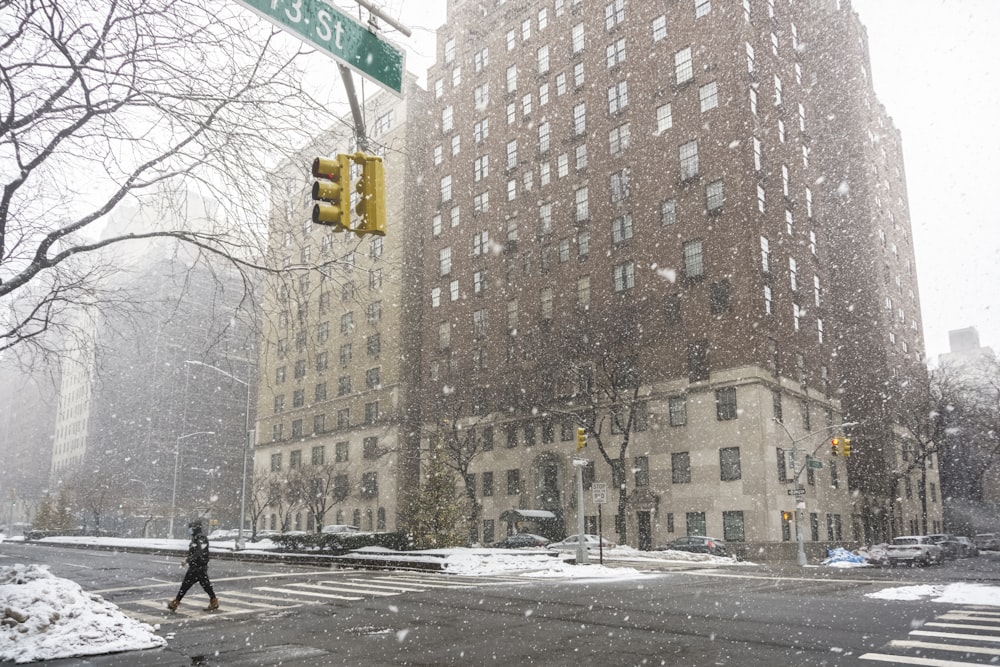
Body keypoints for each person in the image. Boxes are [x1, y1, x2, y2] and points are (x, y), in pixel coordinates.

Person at [167, 520, 219, 611]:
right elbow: (196, 551)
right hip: (198, 566)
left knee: (186, 585)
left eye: (190, 528)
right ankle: (214, 601)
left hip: (197, 567)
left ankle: (175, 603)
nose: (189, 530)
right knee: (205, 585)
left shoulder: (200, 537)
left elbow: (200, 551)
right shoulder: (197, 537)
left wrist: (187, 560)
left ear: (195, 528)